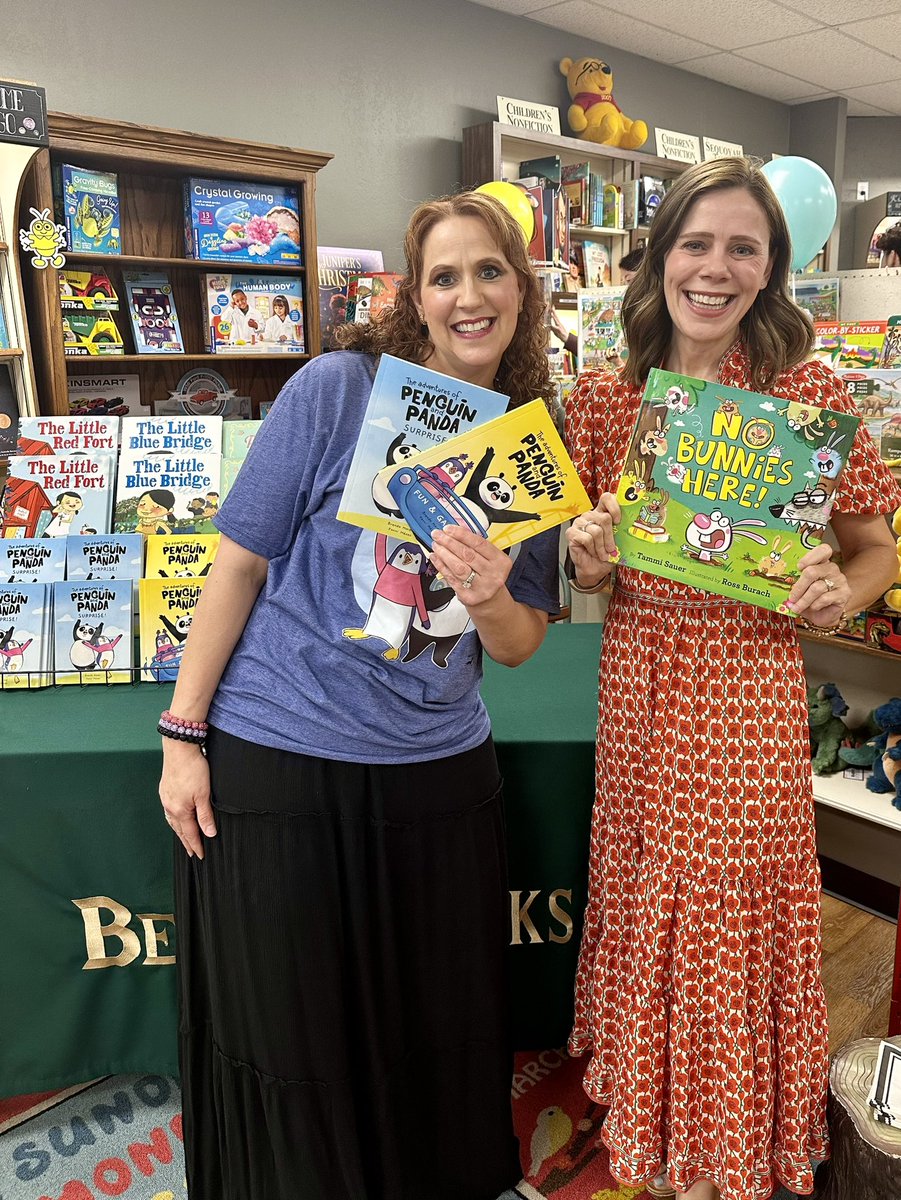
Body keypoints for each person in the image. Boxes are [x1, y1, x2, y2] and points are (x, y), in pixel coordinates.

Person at [158, 189, 561, 1200]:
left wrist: (484, 589)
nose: (468, 296)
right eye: (443, 276)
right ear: (412, 299)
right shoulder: (338, 389)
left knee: (436, 1025)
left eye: (489, 271)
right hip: (284, 756)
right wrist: (182, 734)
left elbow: (517, 643)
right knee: (291, 1028)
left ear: (521, 290)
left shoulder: (528, 439)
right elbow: (238, 565)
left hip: (437, 772)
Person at [564, 156, 901, 1200]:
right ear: (659, 255)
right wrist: (585, 550)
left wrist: (833, 594)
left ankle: (727, 1141)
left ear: (772, 267)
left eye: (742, 248)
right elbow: (579, 569)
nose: (715, 269)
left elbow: (874, 548)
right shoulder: (603, 400)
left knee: (722, 908)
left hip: (743, 689)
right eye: (695, 243)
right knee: (643, 889)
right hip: (635, 683)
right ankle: (654, 1122)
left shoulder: (804, 394)